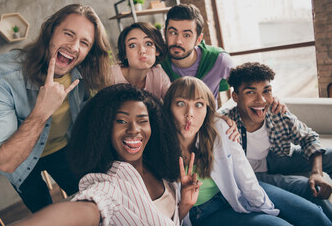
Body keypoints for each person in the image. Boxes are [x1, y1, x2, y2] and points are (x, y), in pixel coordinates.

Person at [0, 4, 112, 213]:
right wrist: (42, 111)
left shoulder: (85, 71)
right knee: (44, 213)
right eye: (69, 34)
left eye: (84, 42)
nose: (74, 46)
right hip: (21, 161)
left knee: (90, 202)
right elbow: (6, 163)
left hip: (64, 150)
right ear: (50, 31)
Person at [12, 84, 200, 226]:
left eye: (142, 121)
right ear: (103, 128)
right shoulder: (108, 185)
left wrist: (183, 205)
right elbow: (89, 206)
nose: (134, 130)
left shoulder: (157, 168)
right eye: (121, 120)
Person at [163, 76, 332, 226]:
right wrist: (184, 204)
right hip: (201, 212)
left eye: (199, 104)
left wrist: (263, 207)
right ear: (168, 108)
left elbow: (244, 174)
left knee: (313, 214)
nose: (189, 114)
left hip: (234, 190)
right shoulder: (160, 149)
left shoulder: (219, 127)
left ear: (207, 109)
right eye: (180, 103)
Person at [222, 62, 332, 220]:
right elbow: (210, 118)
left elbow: (309, 137)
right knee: (308, 186)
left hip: (276, 158)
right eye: (251, 92)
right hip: (252, 175)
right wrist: (218, 118)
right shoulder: (224, 123)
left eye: (266, 91)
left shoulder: (276, 111)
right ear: (235, 97)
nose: (261, 100)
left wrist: (316, 173)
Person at [161, 3, 233, 103]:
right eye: (173, 33)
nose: (178, 41)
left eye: (186, 35)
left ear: (198, 39)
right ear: (165, 33)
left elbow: (243, 91)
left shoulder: (219, 59)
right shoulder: (157, 62)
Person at [113, 22, 171, 99]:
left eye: (148, 44)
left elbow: (172, 101)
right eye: (132, 45)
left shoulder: (158, 73)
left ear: (157, 51)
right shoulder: (111, 76)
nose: (142, 50)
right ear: (124, 54)